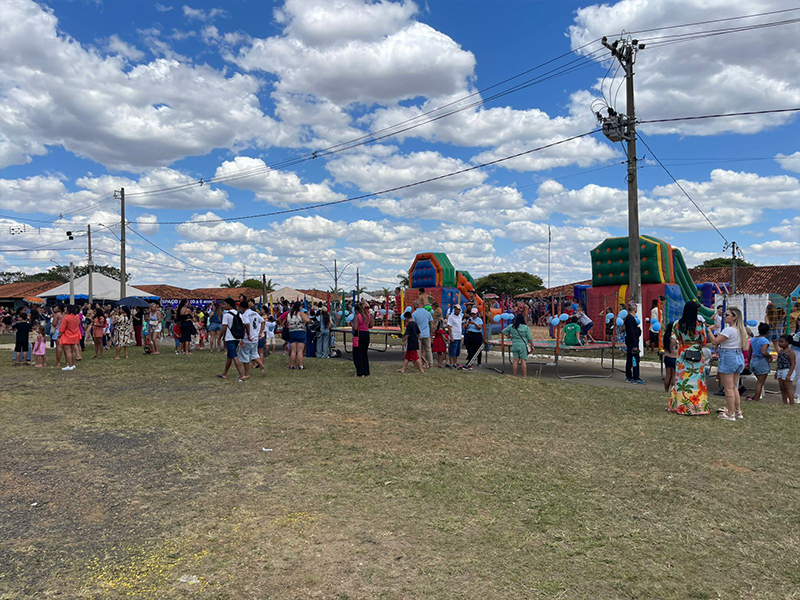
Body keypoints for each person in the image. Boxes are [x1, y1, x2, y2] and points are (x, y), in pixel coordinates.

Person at [706, 306, 747, 421]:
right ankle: (738, 411)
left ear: (734, 317)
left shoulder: (728, 330)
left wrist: (709, 330)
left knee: (728, 388)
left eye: (727, 315)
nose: (724, 316)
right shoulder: (741, 330)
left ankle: (730, 413)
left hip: (729, 356)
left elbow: (715, 341)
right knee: (733, 386)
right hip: (738, 356)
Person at [218, 297, 246, 381]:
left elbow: (224, 327)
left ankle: (241, 375)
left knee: (234, 356)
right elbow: (243, 326)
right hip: (237, 337)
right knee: (229, 356)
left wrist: (220, 337)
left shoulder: (226, 315)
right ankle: (224, 373)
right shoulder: (239, 314)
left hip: (230, 338)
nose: (223, 306)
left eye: (224, 304)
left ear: (229, 305)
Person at [746, 323, 772, 402]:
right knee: (760, 383)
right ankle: (756, 398)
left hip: (753, 360)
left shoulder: (753, 339)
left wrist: (749, 362)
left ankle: (755, 396)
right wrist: (769, 357)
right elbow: (763, 352)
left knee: (759, 381)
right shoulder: (765, 340)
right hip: (761, 361)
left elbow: (749, 352)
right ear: (767, 332)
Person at [502, 313, 534, 377]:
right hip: (523, 345)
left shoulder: (512, 326)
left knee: (515, 360)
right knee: (523, 360)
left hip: (515, 344)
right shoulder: (525, 327)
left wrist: (510, 337)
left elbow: (503, 331)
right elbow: (529, 338)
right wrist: (532, 345)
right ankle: (524, 376)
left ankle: (514, 375)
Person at [624, 302, 645, 384]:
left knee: (630, 359)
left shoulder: (632, 318)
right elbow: (631, 332)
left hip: (632, 341)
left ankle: (629, 376)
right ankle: (635, 376)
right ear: (634, 308)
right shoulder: (630, 318)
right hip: (632, 343)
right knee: (634, 359)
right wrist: (635, 344)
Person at [287, 301, 311, 370]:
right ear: (299, 307)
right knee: (300, 351)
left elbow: (288, 322)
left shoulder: (289, 314)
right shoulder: (300, 313)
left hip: (292, 332)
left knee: (293, 350)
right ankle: (300, 365)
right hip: (300, 331)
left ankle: (292, 365)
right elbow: (308, 320)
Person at [352, 300, 372, 377]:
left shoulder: (358, 316)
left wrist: (353, 325)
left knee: (358, 353)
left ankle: (360, 371)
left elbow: (356, 327)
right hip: (366, 333)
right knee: (364, 353)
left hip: (359, 334)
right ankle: (366, 370)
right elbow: (370, 325)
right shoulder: (368, 315)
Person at [59, 305, 82, 371]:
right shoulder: (77, 317)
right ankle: (73, 364)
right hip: (75, 334)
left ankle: (70, 365)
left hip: (67, 335)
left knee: (68, 351)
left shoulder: (66, 318)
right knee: (73, 351)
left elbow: (62, 328)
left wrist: (59, 335)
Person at [411, 300, 433, 368]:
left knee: (418, 350)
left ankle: (420, 363)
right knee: (428, 349)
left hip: (418, 335)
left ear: (417, 305)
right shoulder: (428, 313)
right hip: (426, 334)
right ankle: (430, 363)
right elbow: (431, 323)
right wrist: (431, 332)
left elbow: (413, 325)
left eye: (414, 304)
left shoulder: (414, 314)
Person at [775, 335, 796, 405]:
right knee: (782, 388)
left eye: (782, 342)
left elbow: (793, 363)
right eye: (779, 341)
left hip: (787, 370)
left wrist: (789, 374)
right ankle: (784, 402)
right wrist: (776, 371)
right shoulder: (781, 351)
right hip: (780, 370)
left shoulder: (790, 352)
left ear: (787, 342)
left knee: (788, 388)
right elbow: (779, 362)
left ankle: (791, 403)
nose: (779, 343)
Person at [663, 320, 678, 392]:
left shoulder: (665, 336)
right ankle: (673, 391)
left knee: (668, 376)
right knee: (674, 376)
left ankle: (666, 390)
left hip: (667, 357)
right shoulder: (674, 338)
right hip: (674, 358)